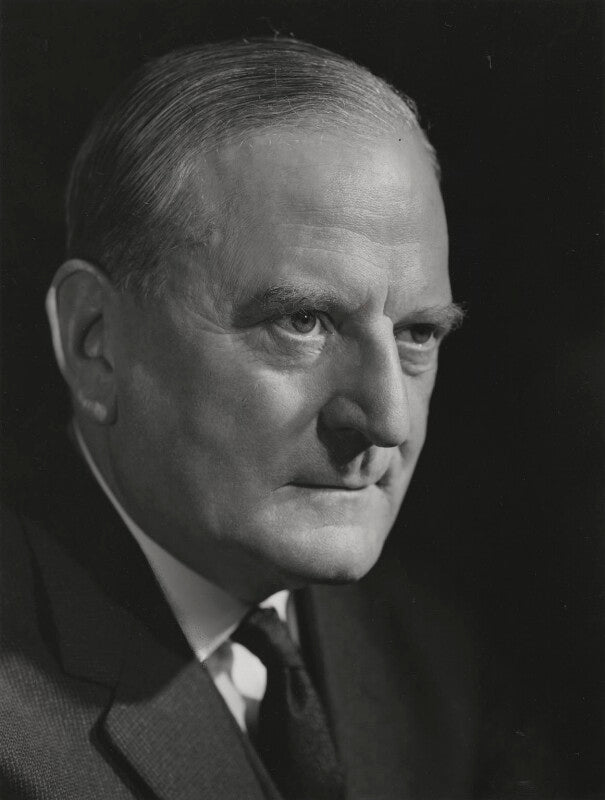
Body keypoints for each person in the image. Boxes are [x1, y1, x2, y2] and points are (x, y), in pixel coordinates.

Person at [1, 38, 552, 800]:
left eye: (419, 334)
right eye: (303, 322)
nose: (387, 420)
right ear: (96, 343)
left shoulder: (433, 662)